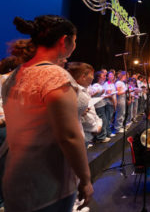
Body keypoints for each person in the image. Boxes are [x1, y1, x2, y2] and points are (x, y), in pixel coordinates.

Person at [1, 15, 93, 211]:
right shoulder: (54, 76)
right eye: (74, 41)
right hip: (47, 184)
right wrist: (85, 179)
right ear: (64, 41)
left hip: (15, 177)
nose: (75, 45)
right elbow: (69, 136)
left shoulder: (16, 74)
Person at [66, 62, 102, 148]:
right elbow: (81, 116)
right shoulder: (75, 92)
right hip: (82, 132)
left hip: (87, 132)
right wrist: (96, 127)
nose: (93, 78)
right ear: (83, 76)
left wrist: (98, 123)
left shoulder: (84, 89)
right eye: (92, 75)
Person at [89, 71, 110, 143]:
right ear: (98, 78)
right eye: (103, 76)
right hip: (98, 106)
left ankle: (100, 136)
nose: (105, 77)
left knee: (103, 120)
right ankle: (101, 137)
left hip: (101, 104)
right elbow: (93, 95)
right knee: (102, 121)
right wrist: (99, 93)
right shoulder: (95, 85)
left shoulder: (100, 85)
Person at [103, 71, 117, 137]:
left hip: (112, 102)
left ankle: (108, 132)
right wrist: (114, 103)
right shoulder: (106, 84)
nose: (112, 76)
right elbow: (109, 94)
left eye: (113, 75)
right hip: (109, 103)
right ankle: (108, 133)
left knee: (110, 117)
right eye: (110, 75)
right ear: (107, 77)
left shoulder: (112, 84)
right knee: (108, 118)